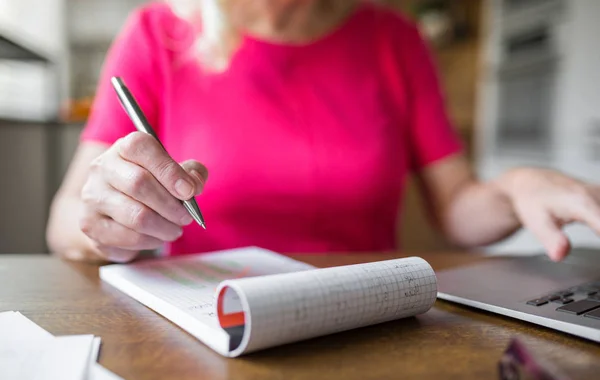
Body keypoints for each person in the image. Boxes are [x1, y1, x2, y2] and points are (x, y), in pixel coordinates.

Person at [47, 0, 600, 264]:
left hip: (366, 323)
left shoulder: (395, 41)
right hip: (207, 323)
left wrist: (514, 188)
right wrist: (101, 218)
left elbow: (456, 204)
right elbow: (66, 218)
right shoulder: (155, 32)